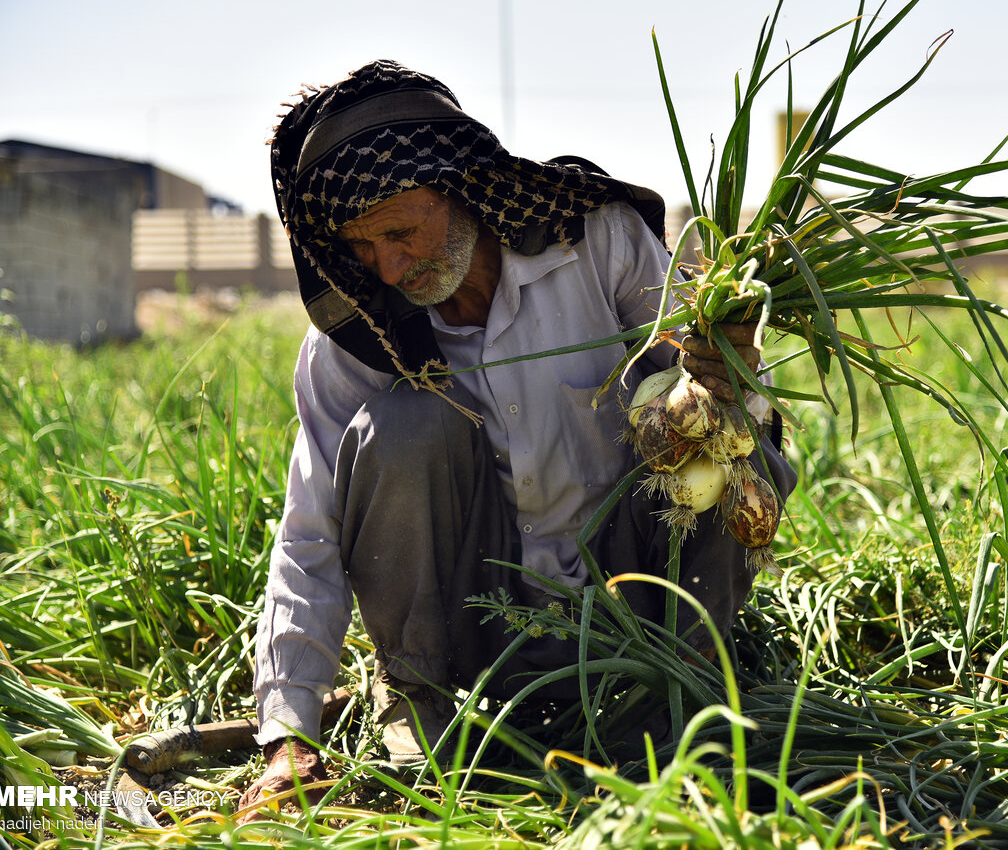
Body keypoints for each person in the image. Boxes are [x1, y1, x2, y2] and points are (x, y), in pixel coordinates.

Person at [236, 60, 796, 818]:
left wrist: (725, 371)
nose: (390, 268)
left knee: (725, 443)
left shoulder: (595, 244)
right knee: (407, 423)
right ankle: (420, 698)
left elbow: (717, 400)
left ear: (461, 185)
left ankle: (685, 693)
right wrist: (288, 732)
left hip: (634, 609)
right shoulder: (358, 340)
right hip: (474, 635)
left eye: (401, 232)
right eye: (365, 249)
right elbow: (311, 535)